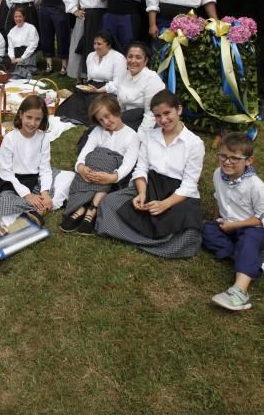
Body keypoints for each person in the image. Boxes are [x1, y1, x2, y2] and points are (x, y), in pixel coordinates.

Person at [96, 90, 205, 258]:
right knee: (109, 202)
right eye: (157, 116)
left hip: (178, 194)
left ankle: (131, 236)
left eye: (167, 113)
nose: (163, 120)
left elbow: (189, 184)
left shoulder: (194, 143)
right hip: (150, 185)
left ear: (179, 110)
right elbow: (141, 169)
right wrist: (141, 193)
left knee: (190, 233)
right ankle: (158, 245)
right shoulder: (150, 136)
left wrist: (164, 204)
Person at [202, 133, 264, 311]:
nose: (227, 162)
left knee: (249, 239)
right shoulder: (217, 174)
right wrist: (217, 220)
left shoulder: (256, 186)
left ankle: (239, 292)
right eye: (223, 156)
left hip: (253, 227)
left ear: (249, 160)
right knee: (207, 230)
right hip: (228, 224)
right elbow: (216, 198)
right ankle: (250, 261)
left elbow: (259, 218)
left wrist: (234, 226)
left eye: (234, 158)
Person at [61, 95, 139, 235]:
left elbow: (128, 163)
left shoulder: (131, 136)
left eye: (108, 116)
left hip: (111, 175)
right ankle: (84, 205)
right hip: (91, 172)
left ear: (117, 111)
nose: (106, 122)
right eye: (101, 120)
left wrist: (113, 177)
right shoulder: (97, 131)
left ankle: (92, 206)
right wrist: (80, 167)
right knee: (93, 159)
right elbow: (85, 152)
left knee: (107, 160)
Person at [0, 95, 73, 227]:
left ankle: (38, 207)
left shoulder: (43, 138)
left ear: (42, 119)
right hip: (13, 182)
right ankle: (38, 208)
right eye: (29, 117)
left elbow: (45, 169)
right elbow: (5, 172)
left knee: (70, 177)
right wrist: (27, 195)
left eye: (37, 119)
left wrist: (45, 193)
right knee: (4, 206)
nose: (32, 123)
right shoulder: (10, 139)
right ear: (21, 114)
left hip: (35, 179)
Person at [55, 31, 126, 126]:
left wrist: (99, 90)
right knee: (76, 98)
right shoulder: (91, 56)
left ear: (109, 45)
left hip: (109, 90)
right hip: (92, 86)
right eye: (94, 43)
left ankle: (88, 119)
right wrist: (86, 88)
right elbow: (89, 77)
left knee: (94, 101)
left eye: (99, 44)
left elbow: (118, 83)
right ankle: (74, 117)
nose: (95, 47)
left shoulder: (118, 58)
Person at [63, 0, 109, 79]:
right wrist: (75, 10)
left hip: (104, 18)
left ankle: (101, 75)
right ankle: (80, 77)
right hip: (87, 18)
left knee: (103, 46)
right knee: (82, 47)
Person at [116, 42, 165, 140]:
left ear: (145, 60)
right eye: (130, 57)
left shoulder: (151, 79)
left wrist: (138, 138)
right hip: (127, 119)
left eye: (138, 57)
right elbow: (120, 106)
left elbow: (151, 114)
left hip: (147, 123)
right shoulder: (124, 75)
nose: (133, 61)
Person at [6, 7, 39, 78]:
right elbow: (10, 47)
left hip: (28, 54)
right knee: (5, 67)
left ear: (24, 17)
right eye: (15, 17)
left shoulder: (31, 28)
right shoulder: (12, 31)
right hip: (16, 54)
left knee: (19, 69)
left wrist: (22, 58)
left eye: (20, 16)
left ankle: (23, 73)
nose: (17, 19)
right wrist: (12, 57)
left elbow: (33, 45)